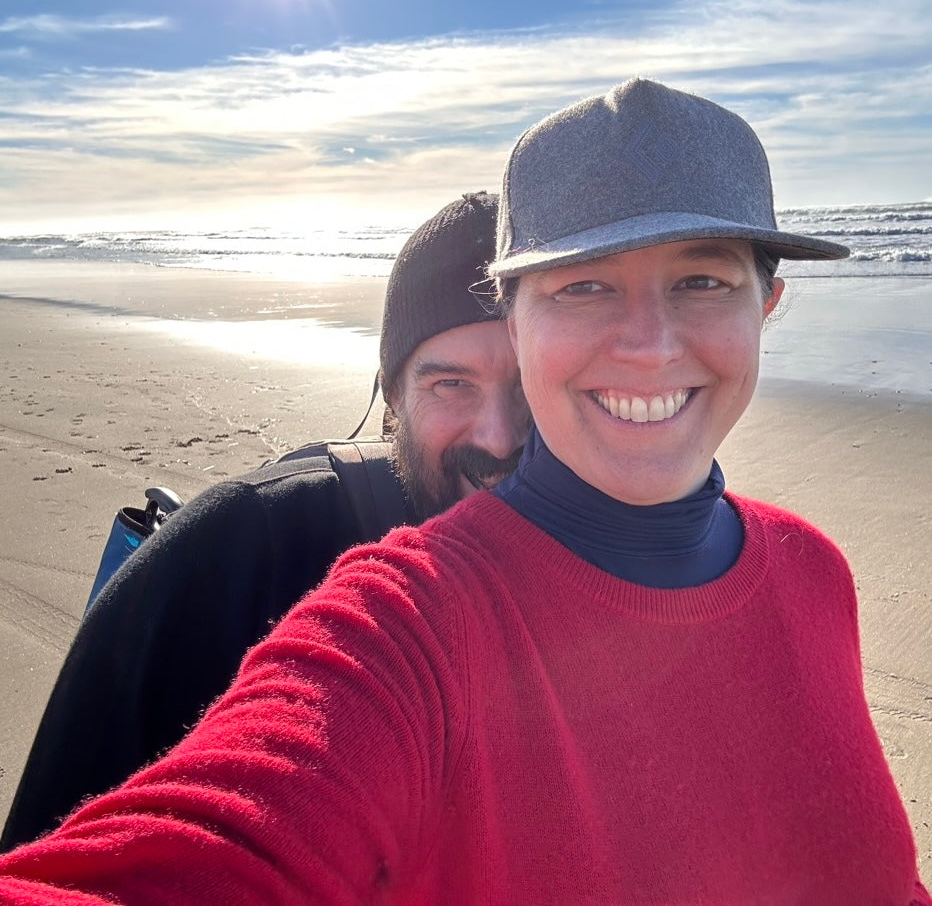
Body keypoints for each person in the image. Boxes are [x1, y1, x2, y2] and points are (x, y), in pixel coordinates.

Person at [0, 79, 927, 904]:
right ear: (514, 314)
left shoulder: (812, 570)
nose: (649, 343)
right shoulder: (400, 626)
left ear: (766, 303)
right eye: (584, 286)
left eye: (702, 279)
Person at [0, 190, 530, 854]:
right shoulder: (242, 553)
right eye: (450, 384)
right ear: (392, 397)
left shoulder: (626, 566)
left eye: (532, 382)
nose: (503, 437)